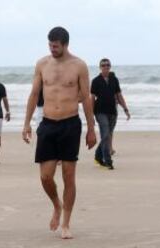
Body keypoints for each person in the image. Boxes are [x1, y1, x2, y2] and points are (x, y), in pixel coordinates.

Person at [22, 27, 96, 239]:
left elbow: (86, 98)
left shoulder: (79, 66)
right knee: (46, 176)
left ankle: (66, 223)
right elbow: (34, 94)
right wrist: (26, 123)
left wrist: (91, 129)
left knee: (68, 175)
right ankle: (57, 204)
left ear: (65, 44)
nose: (52, 49)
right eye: (50, 45)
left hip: (70, 124)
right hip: (47, 124)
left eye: (56, 46)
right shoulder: (42, 64)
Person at [91, 58, 130, 170]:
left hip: (112, 112)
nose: (106, 67)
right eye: (103, 65)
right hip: (100, 112)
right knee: (106, 134)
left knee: (106, 136)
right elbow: (92, 98)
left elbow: (119, 95)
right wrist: (91, 116)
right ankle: (107, 161)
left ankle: (98, 156)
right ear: (100, 67)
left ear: (110, 67)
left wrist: (125, 109)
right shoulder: (96, 81)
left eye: (107, 65)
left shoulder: (114, 80)